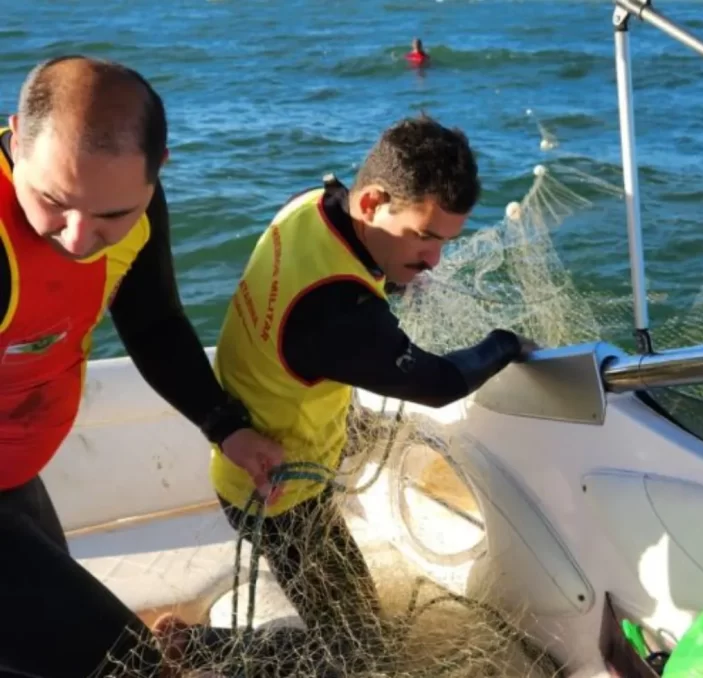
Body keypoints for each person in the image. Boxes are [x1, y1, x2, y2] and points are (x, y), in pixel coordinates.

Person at [167, 114, 536, 672]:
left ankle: (190, 648)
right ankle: (193, 653)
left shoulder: (314, 204)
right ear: (371, 204)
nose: (435, 259)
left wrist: (397, 267)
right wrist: (505, 344)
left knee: (352, 625)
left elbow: (352, 278)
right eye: (425, 236)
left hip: (256, 452)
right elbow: (437, 384)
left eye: (444, 241)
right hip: (278, 494)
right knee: (364, 652)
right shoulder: (337, 313)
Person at [0, 55, 286, 677]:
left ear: (157, 172)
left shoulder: (130, 201)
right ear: (15, 137)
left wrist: (225, 426)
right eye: (52, 201)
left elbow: (153, 324)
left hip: (14, 471)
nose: (77, 238)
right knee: (125, 665)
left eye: (111, 217)